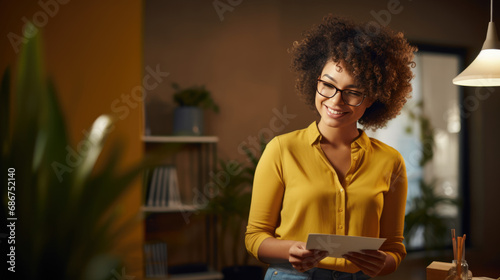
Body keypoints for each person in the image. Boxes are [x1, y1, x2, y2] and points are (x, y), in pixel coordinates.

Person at [245, 15, 416, 280]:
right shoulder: (281, 150)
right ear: (316, 82)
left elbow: (395, 248)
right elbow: (255, 237)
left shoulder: (390, 161)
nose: (336, 100)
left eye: (353, 91)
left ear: (371, 98)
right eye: (328, 85)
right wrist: (290, 250)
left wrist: (384, 262)